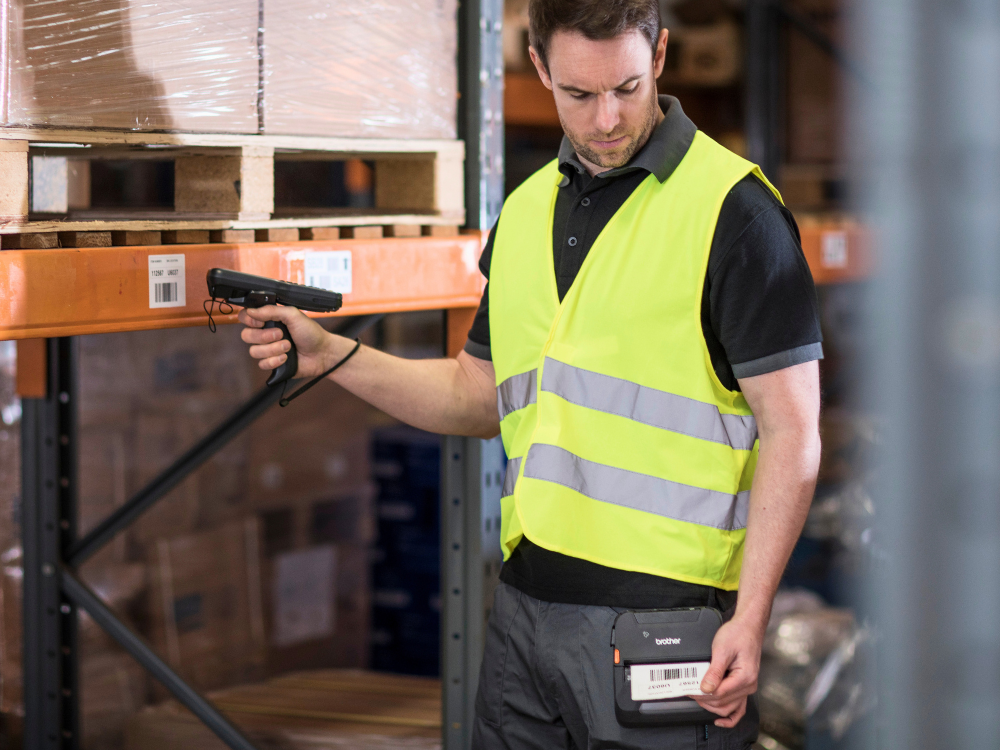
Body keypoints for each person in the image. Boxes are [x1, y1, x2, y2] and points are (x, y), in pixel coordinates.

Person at [238, 0, 822, 746]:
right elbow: (474, 396)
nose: (606, 118)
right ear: (540, 67)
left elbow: (793, 432)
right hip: (524, 613)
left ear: (662, 55)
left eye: (628, 88)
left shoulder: (736, 215)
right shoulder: (521, 215)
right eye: (579, 94)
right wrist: (331, 356)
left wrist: (752, 613)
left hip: (668, 627)